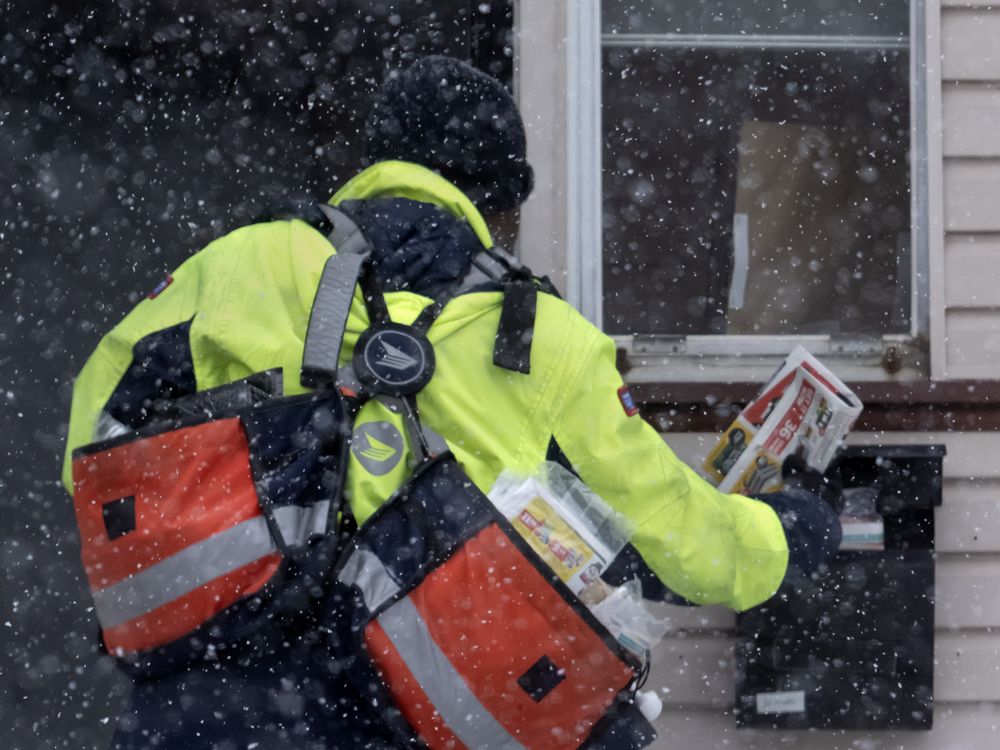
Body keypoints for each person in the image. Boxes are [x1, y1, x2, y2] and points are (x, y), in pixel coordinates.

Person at [62, 56, 840, 749]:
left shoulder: (243, 261)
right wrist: (783, 533)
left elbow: (91, 449)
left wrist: (253, 506)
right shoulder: (544, 339)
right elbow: (674, 534)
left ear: (378, 162)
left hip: (212, 709)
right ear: (496, 202)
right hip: (428, 715)